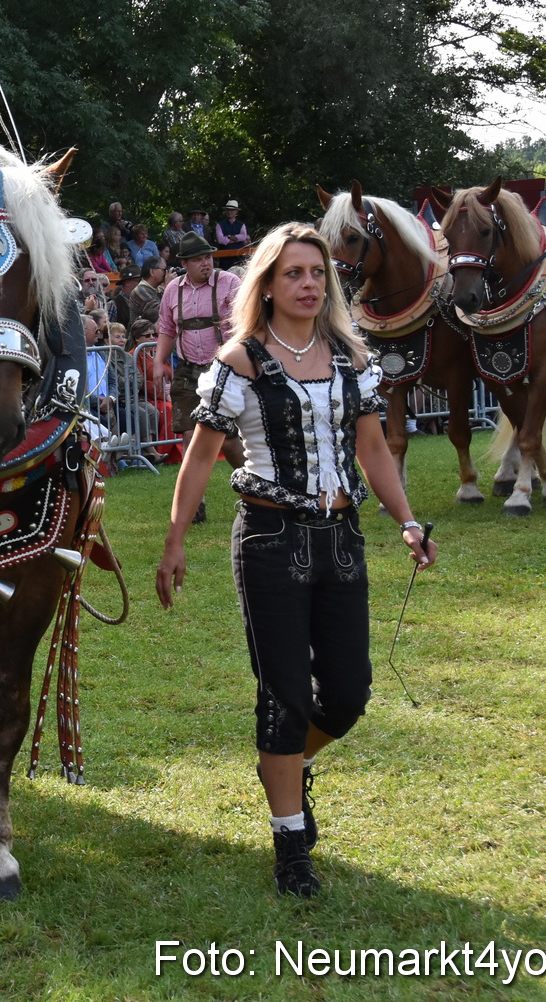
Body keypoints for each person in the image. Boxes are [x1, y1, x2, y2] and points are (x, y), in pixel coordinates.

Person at [155, 222, 438, 900]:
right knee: (282, 695)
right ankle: (290, 844)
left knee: (347, 692)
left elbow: (372, 449)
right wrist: (174, 540)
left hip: (341, 538)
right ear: (268, 285)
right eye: (294, 273)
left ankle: (284, 765)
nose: (309, 283)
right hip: (270, 540)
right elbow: (199, 454)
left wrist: (407, 519)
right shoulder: (240, 360)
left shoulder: (350, 356)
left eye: (317, 272)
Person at [156, 233, 240, 520]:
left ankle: (255, 491)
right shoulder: (172, 290)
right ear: (184, 263)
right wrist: (158, 361)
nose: (206, 263)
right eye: (198, 259)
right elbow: (166, 329)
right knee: (190, 437)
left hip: (225, 368)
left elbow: (247, 324)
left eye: (208, 257)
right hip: (188, 369)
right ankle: (195, 505)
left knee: (227, 438)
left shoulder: (230, 283)